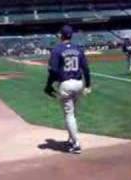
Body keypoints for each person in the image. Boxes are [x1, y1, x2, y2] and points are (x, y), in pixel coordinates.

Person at [44, 25, 91, 154]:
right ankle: (71, 139)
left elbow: (53, 70)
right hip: (78, 83)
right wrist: (88, 85)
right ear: (71, 35)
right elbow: (86, 69)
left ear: (61, 35)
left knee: (69, 114)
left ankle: (76, 144)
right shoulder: (78, 49)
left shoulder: (57, 50)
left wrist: (48, 85)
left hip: (66, 84)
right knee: (74, 113)